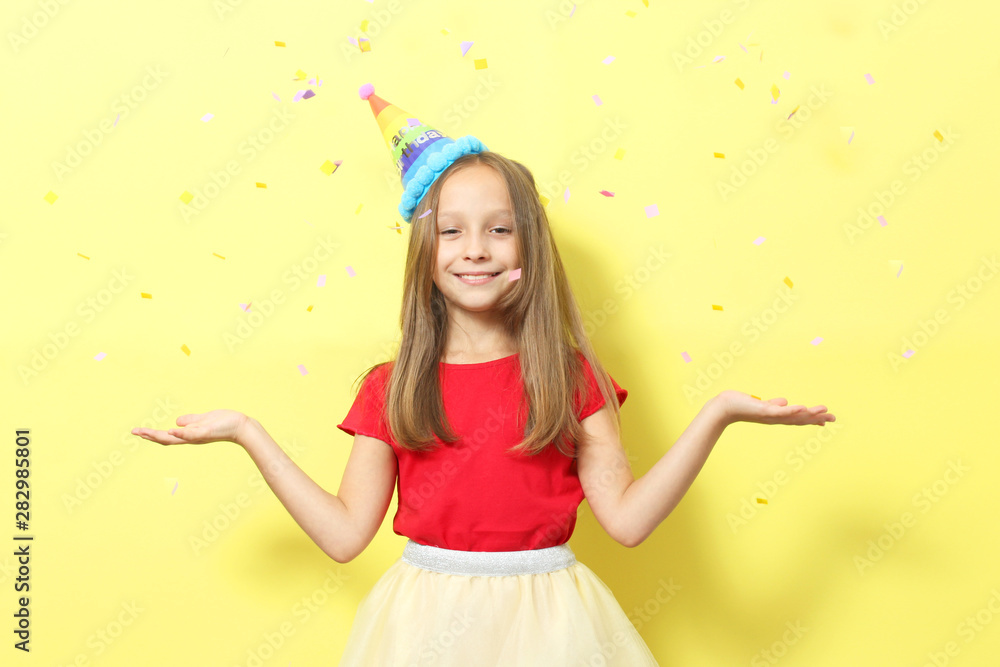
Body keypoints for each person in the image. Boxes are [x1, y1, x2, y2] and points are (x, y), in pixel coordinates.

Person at [132, 84, 835, 665]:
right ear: (426, 255)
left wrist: (717, 413)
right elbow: (347, 535)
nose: (476, 249)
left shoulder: (571, 378)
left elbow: (626, 521)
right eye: (453, 230)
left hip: (553, 628)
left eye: (499, 228)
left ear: (529, 244)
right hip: (420, 632)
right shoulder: (392, 387)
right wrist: (245, 432)